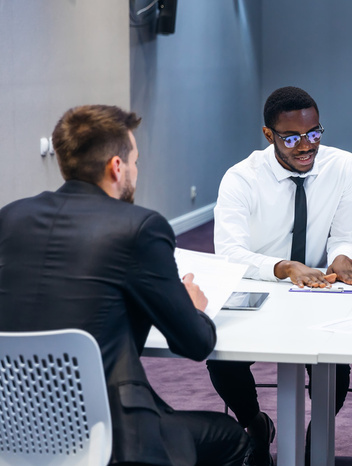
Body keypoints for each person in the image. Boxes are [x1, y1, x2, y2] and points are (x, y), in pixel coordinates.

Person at [0, 105, 249, 465]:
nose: (135, 169)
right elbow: (195, 344)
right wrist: (192, 307)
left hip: (16, 429)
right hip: (112, 439)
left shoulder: (10, 217)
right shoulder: (138, 227)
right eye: (134, 160)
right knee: (231, 437)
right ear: (117, 167)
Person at [207, 86, 352, 465]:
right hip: (261, 289)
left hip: (319, 293)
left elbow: (344, 234)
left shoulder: (344, 166)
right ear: (269, 136)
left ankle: (319, 433)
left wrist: (343, 260)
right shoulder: (241, 178)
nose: (306, 146)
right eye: (292, 137)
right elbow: (230, 254)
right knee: (220, 358)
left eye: (314, 133)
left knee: (335, 363)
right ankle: (255, 426)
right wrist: (282, 267)